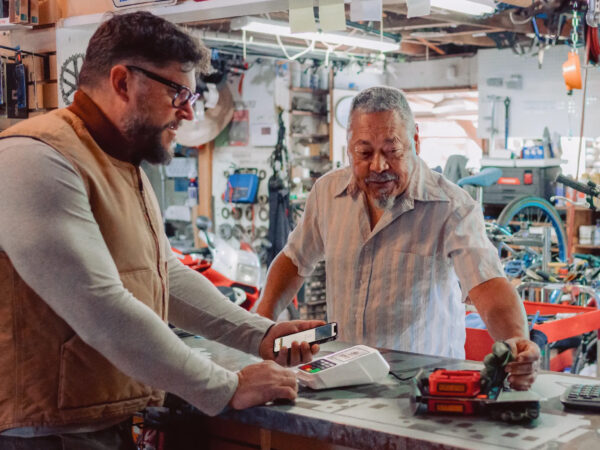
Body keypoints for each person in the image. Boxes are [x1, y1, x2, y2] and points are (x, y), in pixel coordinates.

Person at [0, 11, 322, 449]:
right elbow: (99, 307)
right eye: (177, 92)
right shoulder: (36, 159)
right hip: (39, 436)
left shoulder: (119, 163)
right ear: (122, 82)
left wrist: (258, 335)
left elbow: (160, 273)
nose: (188, 111)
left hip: (93, 421)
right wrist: (224, 386)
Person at [257, 86, 540, 390]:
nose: (378, 166)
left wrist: (516, 343)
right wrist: (260, 326)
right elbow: (294, 259)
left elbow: (488, 285)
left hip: (424, 389)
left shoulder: (451, 207)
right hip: (342, 379)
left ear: (415, 140)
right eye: (364, 153)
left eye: (392, 151)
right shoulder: (327, 193)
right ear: (349, 147)